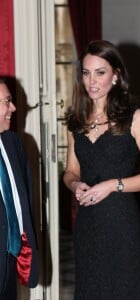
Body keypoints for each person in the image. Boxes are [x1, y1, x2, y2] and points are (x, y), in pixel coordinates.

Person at [63, 40, 140, 299]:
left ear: (116, 75)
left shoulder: (135, 117)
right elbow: (71, 170)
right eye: (86, 73)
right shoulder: (76, 119)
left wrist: (112, 184)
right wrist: (74, 184)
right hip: (88, 223)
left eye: (100, 72)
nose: (92, 81)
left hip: (121, 222)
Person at [0, 78, 38, 299]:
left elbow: (23, 200)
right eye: (7, 101)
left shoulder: (13, 143)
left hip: (10, 258)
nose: (13, 108)